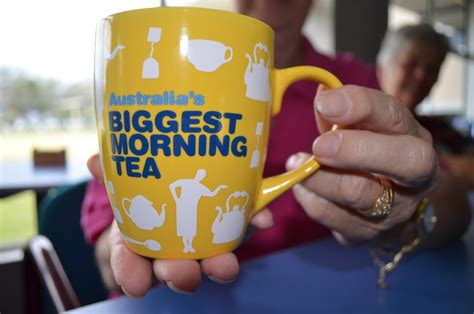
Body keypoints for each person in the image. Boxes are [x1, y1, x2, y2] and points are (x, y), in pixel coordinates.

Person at [82, 1, 470, 298]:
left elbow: (452, 201)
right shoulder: (145, 79)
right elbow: (105, 255)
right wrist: (141, 232)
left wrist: (401, 211)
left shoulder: (348, 85)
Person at [376, 24, 474, 187]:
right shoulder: (358, 121)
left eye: (431, 69)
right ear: (382, 68)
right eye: (410, 63)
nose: (421, 75)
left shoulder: (439, 130)